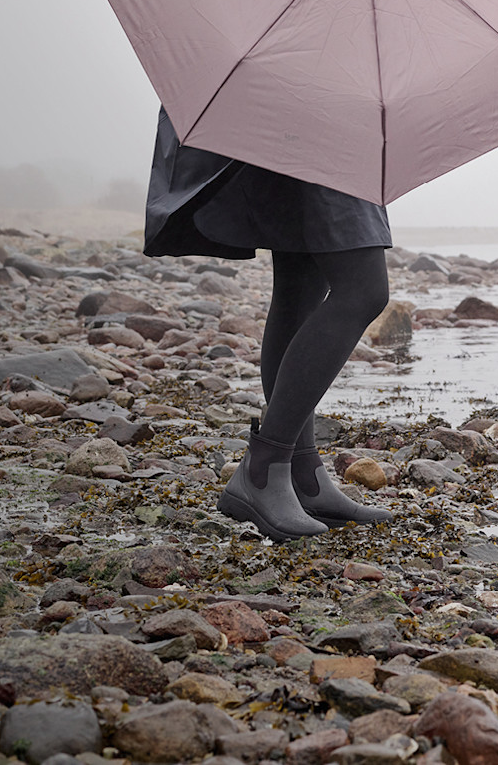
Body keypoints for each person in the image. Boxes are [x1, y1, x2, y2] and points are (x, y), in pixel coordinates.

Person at [145, 106, 394, 541]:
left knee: (302, 278)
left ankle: (300, 472)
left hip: (317, 113)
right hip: (312, 110)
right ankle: (262, 469)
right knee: (363, 289)